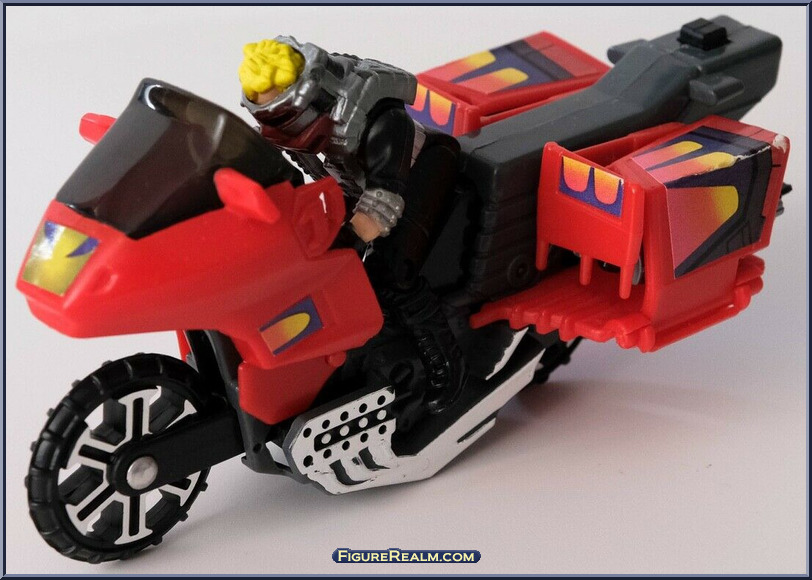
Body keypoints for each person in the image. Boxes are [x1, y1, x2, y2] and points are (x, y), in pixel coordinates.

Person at [238, 37, 465, 413]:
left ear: (313, 96)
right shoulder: (300, 130)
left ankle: (447, 366)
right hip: (354, 183)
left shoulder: (383, 122)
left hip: (416, 172)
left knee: (390, 273)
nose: (279, 129)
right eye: (269, 118)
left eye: (284, 115)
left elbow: (382, 203)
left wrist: (345, 245)